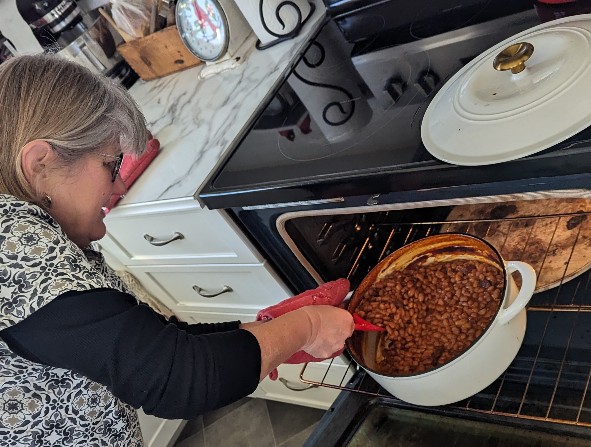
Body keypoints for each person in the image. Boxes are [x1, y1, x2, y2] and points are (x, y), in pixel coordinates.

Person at [0, 54, 355, 446]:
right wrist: (308, 327)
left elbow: (159, 340)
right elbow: (177, 378)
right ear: (40, 163)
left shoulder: (33, 239)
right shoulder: (13, 249)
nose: (120, 186)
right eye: (111, 165)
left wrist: (272, 332)